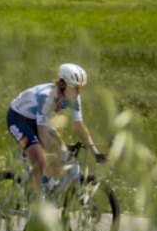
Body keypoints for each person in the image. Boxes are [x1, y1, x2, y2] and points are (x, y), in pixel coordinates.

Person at [8, 63, 102, 191]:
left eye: (81, 88)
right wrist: (58, 152)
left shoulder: (73, 97)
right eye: (75, 88)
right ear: (63, 84)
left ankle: (42, 185)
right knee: (41, 161)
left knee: (64, 156)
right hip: (18, 119)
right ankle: (32, 194)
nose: (78, 92)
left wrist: (95, 153)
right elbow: (42, 134)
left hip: (37, 120)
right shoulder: (47, 97)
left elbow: (79, 126)